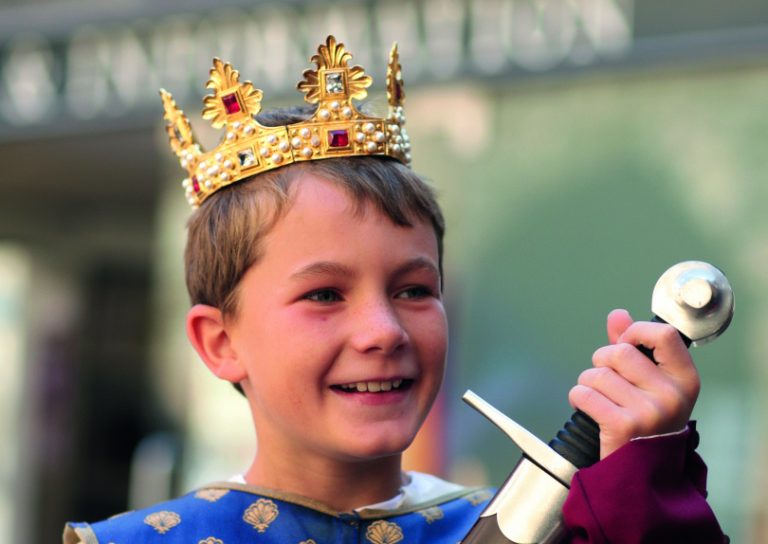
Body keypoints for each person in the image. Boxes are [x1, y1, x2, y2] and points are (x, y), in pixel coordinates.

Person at [64, 35, 728, 543]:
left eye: (413, 290)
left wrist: (646, 480)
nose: (384, 330)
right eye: (324, 295)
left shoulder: (536, 525)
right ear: (220, 341)